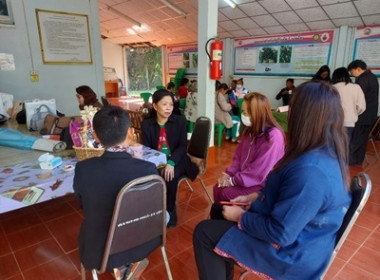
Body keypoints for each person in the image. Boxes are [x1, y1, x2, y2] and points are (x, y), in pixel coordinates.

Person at [193, 81, 351, 280]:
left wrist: (239, 217)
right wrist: (255, 197)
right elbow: (241, 162)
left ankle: (222, 250)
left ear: (304, 117)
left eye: (291, 107)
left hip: (290, 254)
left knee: (203, 233)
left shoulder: (310, 171)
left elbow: (281, 233)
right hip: (291, 228)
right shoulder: (319, 152)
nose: (286, 112)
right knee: (218, 208)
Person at [73, 106, 158, 279]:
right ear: (131, 133)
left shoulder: (84, 169)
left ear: (95, 136)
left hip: (101, 251)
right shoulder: (148, 169)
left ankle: (121, 267)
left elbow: (83, 205)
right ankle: (127, 266)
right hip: (143, 242)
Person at [141, 89, 199, 227]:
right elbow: (147, 149)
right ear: (155, 106)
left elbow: (182, 146)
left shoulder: (179, 121)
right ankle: (154, 208)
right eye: (164, 104)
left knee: (169, 176)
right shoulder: (147, 124)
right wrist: (158, 164)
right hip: (157, 160)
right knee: (146, 175)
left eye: (171, 105)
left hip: (177, 159)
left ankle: (170, 209)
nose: (169, 108)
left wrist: (171, 162)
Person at [213, 92, 285, 202]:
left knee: (226, 194)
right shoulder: (250, 131)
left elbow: (258, 172)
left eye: (245, 113)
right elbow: (238, 156)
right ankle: (221, 217)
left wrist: (232, 181)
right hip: (245, 178)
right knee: (217, 188)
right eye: (243, 112)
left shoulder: (273, 137)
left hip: (262, 183)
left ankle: (234, 217)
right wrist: (228, 173)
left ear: (257, 113)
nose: (243, 116)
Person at [348, 59, 379, 165]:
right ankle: (358, 160)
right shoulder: (372, 77)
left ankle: (350, 161)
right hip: (370, 115)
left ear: (358, 69)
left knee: (355, 139)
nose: (352, 75)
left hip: (362, 115)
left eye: (352, 72)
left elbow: (358, 99)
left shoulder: (362, 80)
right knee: (362, 139)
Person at [332, 67, 366, 142]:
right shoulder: (356, 87)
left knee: (332, 146)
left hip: (332, 122)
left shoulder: (332, 88)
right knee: (345, 145)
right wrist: (354, 113)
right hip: (349, 122)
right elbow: (361, 106)